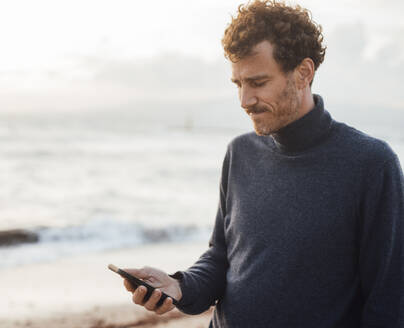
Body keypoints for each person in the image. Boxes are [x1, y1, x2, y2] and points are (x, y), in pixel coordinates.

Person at [121, 1, 404, 327]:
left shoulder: (371, 164)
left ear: (303, 73)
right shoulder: (239, 152)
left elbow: (387, 302)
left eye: (257, 83)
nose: (244, 100)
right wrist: (180, 286)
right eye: (238, 84)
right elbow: (222, 258)